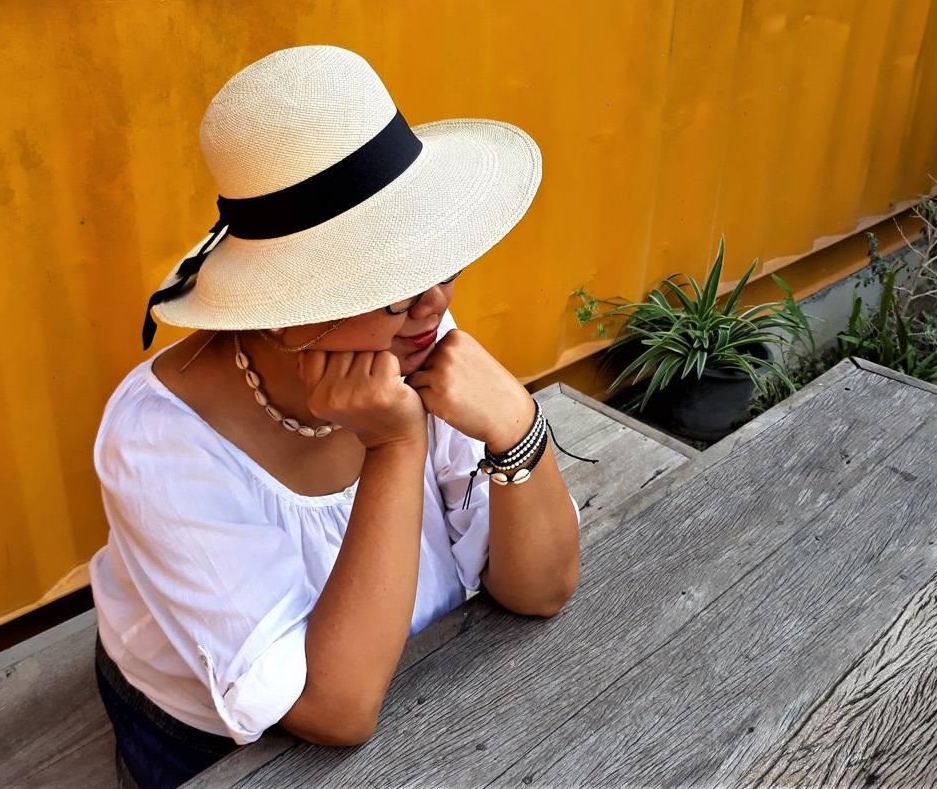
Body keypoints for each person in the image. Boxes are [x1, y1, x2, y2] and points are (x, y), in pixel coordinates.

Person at [89, 46, 581, 789]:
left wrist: (516, 423)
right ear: (287, 315)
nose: (436, 305)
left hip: (440, 669)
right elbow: (334, 710)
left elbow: (541, 590)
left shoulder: (413, 340)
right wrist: (394, 445)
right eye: (391, 285)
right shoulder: (161, 443)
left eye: (441, 264)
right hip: (225, 748)